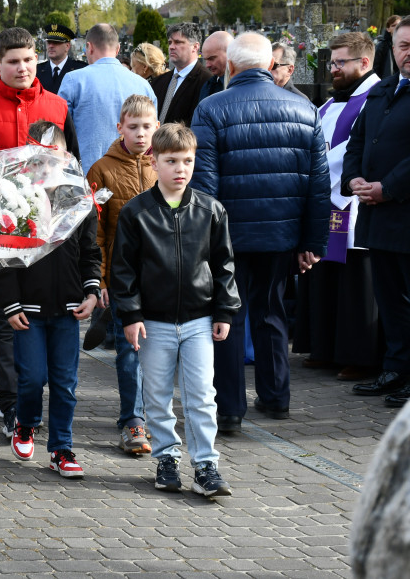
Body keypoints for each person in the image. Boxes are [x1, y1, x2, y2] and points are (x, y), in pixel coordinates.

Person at [190, 32, 329, 431]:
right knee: (272, 312)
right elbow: (318, 186)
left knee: (228, 316)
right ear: (270, 66)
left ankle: (230, 409)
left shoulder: (212, 107)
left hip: (228, 236)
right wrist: (312, 242)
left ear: (231, 67)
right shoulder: (305, 109)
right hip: (282, 236)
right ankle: (276, 397)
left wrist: (202, 239)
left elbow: (204, 184)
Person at [112, 123, 240, 496]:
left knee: (201, 394)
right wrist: (131, 315)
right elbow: (124, 269)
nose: (180, 169)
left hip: (200, 320)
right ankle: (167, 457)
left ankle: (205, 465)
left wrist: (224, 311)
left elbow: (224, 264)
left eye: (187, 160)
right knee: (156, 395)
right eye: (171, 161)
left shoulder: (211, 209)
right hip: (154, 322)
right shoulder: (136, 213)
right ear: (154, 161)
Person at [0, 26, 81, 436]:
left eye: (28, 60)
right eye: (13, 61)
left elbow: (71, 165)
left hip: (45, 228)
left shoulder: (57, 106)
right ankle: (11, 402)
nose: (22, 68)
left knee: (31, 315)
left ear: (37, 60)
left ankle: (28, 403)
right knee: (3, 313)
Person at [0, 120, 100, 477]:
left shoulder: (80, 201)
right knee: (31, 377)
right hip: (29, 311)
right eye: (36, 160)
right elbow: (4, 258)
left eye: (51, 159)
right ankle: (25, 421)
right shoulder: (15, 202)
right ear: (26, 161)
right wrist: (10, 304)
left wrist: (91, 290)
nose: (44, 167)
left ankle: (62, 448)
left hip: (68, 311)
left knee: (65, 383)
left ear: (66, 157)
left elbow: (90, 253)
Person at [294, 32, 382, 380]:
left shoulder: (375, 98)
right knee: (327, 276)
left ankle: (357, 355)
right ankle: (326, 347)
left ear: (363, 62)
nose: (333, 69)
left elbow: (345, 155)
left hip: (352, 201)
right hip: (326, 200)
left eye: (340, 62)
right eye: (332, 63)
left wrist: (313, 175)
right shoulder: (331, 104)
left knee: (355, 281)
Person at [85, 94, 159, 455]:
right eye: (133, 127)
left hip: (162, 277)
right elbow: (95, 231)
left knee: (158, 350)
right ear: (120, 128)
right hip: (122, 277)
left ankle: (155, 415)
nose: (141, 134)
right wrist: (99, 279)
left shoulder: (165, 165)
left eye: (147, 127)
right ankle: (134, 421)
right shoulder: (102, 170)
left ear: (157, 127)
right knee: (130, 350)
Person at [342, 17, 410, 407]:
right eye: (402, 45)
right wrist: (353, 181)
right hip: (378, 217)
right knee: (389, 298)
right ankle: (396, 368)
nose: (407, 52)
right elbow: (359, 141)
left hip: (404, 212)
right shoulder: (383, 90)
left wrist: (389, 187)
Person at [58, 24, 156, 172]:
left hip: (87, 175)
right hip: (132, 175)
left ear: (89, 47)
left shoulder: (74, 80)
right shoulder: (143, 85)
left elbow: (59, 132)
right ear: (117, 50)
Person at [152, 23, 212, 127]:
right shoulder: (159, 81)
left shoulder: (206, 81)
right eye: (170, 42)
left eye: (178, 42)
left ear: (195, 46)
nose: (171, 47)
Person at [37, 24, 86, 94]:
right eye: (49, 42)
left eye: (56, 43)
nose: (51, 46)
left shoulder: (80, 69)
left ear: (67, 46)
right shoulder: (38, 70)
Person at [197, 31, 233, 102]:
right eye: (206, 60)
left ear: (229, 52)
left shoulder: (244, 85)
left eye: (212, 58)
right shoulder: (208, 86)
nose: (207, 65)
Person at [373, 15, 401, 80]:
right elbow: (375, 68)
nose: (396, 28)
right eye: (393, 25)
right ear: (388, 29)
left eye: (398, 25)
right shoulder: (382, 46)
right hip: (387, 82)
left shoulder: (406, 44)